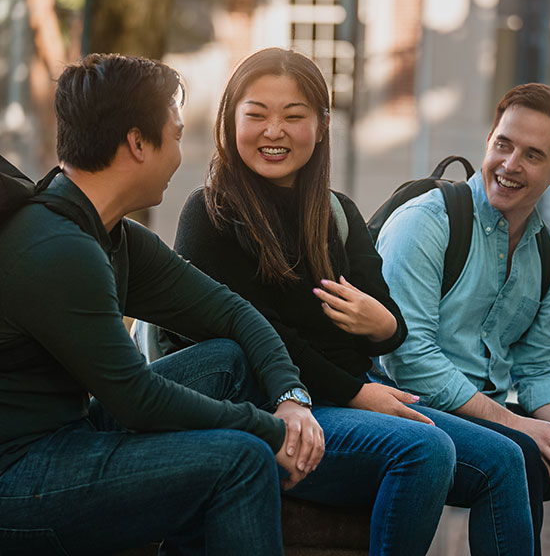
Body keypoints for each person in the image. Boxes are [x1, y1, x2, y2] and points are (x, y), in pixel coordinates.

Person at [172, 46, 535, 555]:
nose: (273, 131)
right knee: (424, 451)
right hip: (271, 407)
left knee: (506, 459)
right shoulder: (211, 214)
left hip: (353, 394)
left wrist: (379, 322)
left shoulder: (336, 213)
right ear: (229, 120)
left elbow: (392, 325)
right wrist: (355, 393)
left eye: (293, 116)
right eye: (256, 115)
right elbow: (256, 337)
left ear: (320, 126)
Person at [0, 53, 326, 556]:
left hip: (69, 436)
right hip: (18, 479)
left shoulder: (112, 234)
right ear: (137, 143)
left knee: (226, 360)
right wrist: (268, 429)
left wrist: (291, 395)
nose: (179, 155)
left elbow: (232, 313)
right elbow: (138, 398)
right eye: (175, 135)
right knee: (240, 459)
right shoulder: (57, 248)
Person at [375, 82, 550, 555]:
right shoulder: (427, 222)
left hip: (489, 416)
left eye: (533, 155)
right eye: (503, 144)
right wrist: (521, 427)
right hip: (403, 412)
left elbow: (539, 368)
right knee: (517, 453)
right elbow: (409, 361)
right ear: (489, 141)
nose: (510, 164)